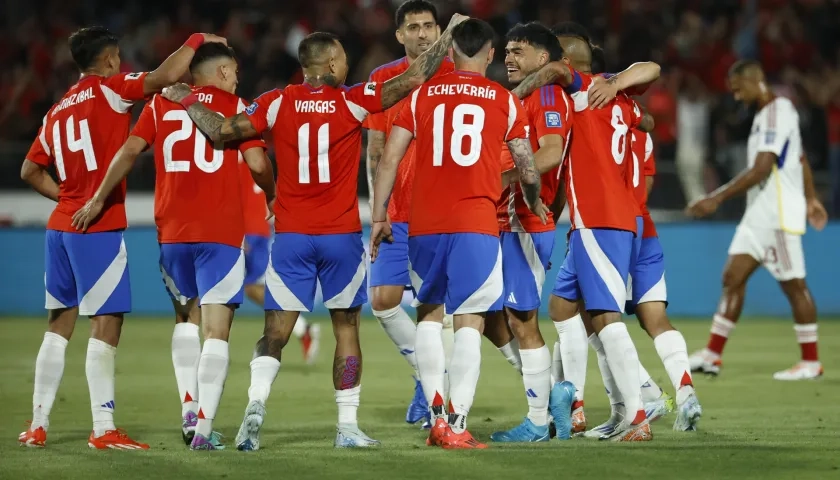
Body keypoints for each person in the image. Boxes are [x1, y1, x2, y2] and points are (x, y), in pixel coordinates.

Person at [162, 15, 467, 449]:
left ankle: (256, 405)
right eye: (342, 60)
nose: (346, 67)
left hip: (290, 237)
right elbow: (416, 75)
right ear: (327, 65)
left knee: (274, 333)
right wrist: (450, 33)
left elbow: (220, 131)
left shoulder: (275, 102)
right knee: (346, 330)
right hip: (340, 237)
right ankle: (346, 426)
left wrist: (186, 98)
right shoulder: (352, 101)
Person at [17, 26, 225, 450]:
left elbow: (29, 171)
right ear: (110, 60)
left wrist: (69, 197)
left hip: (59, 227)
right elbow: (167, 76)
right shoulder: (112, 90)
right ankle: (103, 427)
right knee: (107, 324)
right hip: (97, 226)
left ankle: (37, 425)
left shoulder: (56, 110)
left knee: (58, 327)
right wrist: (197, 39)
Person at [72, 42, 274, 450]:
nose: (237, 77)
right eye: (233, 70)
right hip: (220, 232)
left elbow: (129, 152)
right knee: (218, 330)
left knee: (186, 319)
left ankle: (187, 407)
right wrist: (273, 197)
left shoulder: (160, 106)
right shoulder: (238, 106)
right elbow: (255, 163)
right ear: (219, 73)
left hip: (172, 233)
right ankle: (202, 430)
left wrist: (97, 198)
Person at [371, 18, 545, 449]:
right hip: (475, 224)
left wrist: (378, 217)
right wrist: (534, 195)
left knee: (428, 314)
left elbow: (388, 158)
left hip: (424, 224)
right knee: (469, 319)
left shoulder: (420, 95)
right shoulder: (505, 101)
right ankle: (458, 422)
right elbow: (525, 164)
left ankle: (435, 419)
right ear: (489, 54)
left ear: (450, 53)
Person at [512, 27, 661, 442]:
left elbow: (557, 68)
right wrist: (621, 85)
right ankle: (604, 410)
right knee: (562, 307)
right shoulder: (617, 99)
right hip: (595, 220)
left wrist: (520, 90)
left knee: (606, 318)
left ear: (570, 65)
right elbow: (646, 113)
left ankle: (639, 415)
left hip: (601, 217)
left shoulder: (582, 89)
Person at [686, 60, 827, 381]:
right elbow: (800, 158)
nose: (735, 97)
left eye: (738, 89)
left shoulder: (778, 111)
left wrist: (716, 197)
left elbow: (763, 167)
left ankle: (810, 362)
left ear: (755, 81)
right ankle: (712, 354)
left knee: (794, 285)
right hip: (758, 215)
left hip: (776, 215)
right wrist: (812, 197)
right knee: (731, 277)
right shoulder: (767, 115)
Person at [364, 0, 455, 427]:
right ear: (399, 34)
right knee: (382, 301)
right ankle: (426, 373)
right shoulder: (384, 79)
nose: (422, 34)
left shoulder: (457, 74)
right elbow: (376, 151)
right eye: (414, 27)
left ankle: (436, 393)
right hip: (397, 209)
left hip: (443, 210)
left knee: (436, 309)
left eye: (430, 26)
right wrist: (376, 209)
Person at [487, 22, 575, 444]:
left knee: (522, 321)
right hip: (506, 220)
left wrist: (498, 179)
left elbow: (551, 151)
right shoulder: (517, 98)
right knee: (495, 316)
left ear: (544, 59)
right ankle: (551, 393)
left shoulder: (545, 94)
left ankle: (539, 421)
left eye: (519, 51)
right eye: (506, 50)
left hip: (525, 220)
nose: (508, 57)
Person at [239, 158, 321, 366]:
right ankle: (298, 329)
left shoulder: (233, 159)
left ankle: (298, 329)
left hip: (248, 231)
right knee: (252, 287)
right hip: (259, 229)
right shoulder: (257, 157)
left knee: (253, 288)